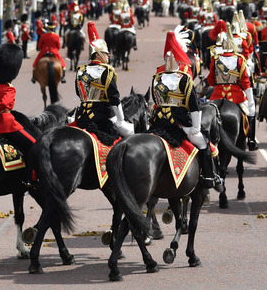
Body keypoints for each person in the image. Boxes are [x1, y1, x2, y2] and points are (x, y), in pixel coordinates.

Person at [151, 30, 224, 191]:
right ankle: (209, 178)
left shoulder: (157, 76)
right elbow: (193, 106)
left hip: (159, 124)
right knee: (203, 143)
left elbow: (155, 101)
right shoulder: (183, 77)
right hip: (180, 123)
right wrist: (195, 129)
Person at [0, 43, 38, 188]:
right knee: (34, 146)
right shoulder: (9, 89)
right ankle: (30, 179)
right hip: (5, 124)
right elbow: (4, 104)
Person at [72, 22, 134, 141]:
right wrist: (121, 120)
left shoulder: (80, 70)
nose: (108, 55)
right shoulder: (106, 71)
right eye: (106, 53)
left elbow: (78, 92)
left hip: (81, 117)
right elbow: (114, 99)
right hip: (101, 119)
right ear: (99, 54)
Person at [207, 24, 257, 150]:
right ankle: (250, 139)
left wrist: (219, 82)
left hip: (217, 95)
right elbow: (245, 82)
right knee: (250, 113)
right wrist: (250, 100)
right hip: (236, 96)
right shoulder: (240, 59)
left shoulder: (215, 58)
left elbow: (210, 80)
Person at [32, 19, 66, 83]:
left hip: (44, 51)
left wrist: (44, 49)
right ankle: (63, 77)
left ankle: (33, 77)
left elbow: (39, 45)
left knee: (35, 64)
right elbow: (58, 46)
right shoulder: (56, 36)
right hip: (54, 51)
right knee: (63, 64)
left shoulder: (43, 35)